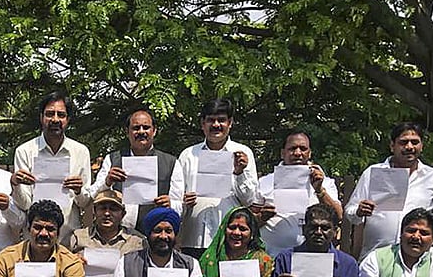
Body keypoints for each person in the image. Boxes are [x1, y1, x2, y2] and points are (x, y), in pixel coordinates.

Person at [344, 122, 433, 259]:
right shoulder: (373, 172)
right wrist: (359, 211)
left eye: (415, 142)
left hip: (416, 260)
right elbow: (350, 212)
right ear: (392, 146)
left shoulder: (432, 176)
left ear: (421, 146)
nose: (409, 147)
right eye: (403, 142)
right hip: (376, 257)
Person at [168, 98, 258, 258]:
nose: (216, 125)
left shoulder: (243, 153)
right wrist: (183, 202)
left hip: (229, 240)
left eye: (221, 120)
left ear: (230, 123)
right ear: (203, 124)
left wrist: (239, 173)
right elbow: (175, 198)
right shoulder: (188, 155)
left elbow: (249, 200)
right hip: (193, 238)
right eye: (211, 120)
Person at [12, 91, 92, 243]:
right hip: (36, 240)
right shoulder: (25, 151)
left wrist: (78, 190)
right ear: (41, 118)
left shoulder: (81, 151)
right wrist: (15, 185)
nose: (55, 119)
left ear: (67, 120)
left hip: (68, 238)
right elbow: (25, 204)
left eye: (61, 115)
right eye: (50, 114)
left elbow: (84, 203)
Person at [256, 131, 344, 256]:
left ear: (309, 153)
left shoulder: (325, 182)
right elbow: (249, 223)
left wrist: (319, 190)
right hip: (272, 257)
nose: (298, 153)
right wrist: (262, 217)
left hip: (311, 258)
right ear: (283, 153)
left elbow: (338, 216)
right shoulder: (265, 182)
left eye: (303, 149)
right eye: (292, 149)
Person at [89, 108, 177, 231]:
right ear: (127, 132)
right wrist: (107, 182)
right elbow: (92, 194)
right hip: (118, 235)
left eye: (146, 127)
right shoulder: (113, 159)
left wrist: (171, 203)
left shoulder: (171, 162)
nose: (141, 132)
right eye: (136, 128)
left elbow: (180, 204)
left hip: (155, 235)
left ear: (154, 131)